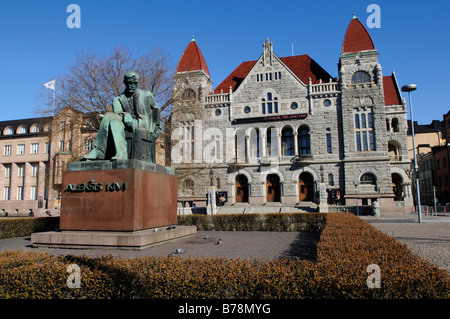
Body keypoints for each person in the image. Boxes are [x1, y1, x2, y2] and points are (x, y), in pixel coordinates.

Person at [82, 71, 161, 162]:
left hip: (143, 124)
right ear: (125, 82)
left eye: (134, 83)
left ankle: (99, 150)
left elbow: (156, 111)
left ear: (137, 83)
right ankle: (121, 153)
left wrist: (158, 127)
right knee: (112, 119)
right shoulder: (118, 99)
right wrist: (125, 114)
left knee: (109, 116)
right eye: (129, 83)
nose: (132, 85)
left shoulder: (146, 95)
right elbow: (117, 114)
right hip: (125, 123)